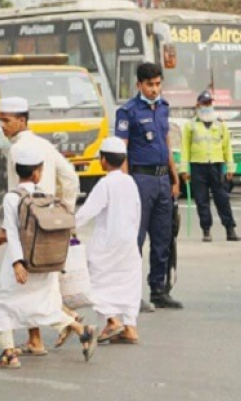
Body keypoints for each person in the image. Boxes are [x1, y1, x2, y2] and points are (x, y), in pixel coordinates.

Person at [0, 146, 97, 368]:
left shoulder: (11, 198)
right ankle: (82, 330)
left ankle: (9, 354)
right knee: (45, 306)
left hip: (22, 264)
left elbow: (14, 233)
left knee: (3, 303)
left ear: (17, 172)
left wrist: (17, 263)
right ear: (38, 173)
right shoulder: (46, 197)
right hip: (46, 263)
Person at [0, 96, 82, 354]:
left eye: (7, 121)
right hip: (50, 229)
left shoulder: (17, 151)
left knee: (15, 288)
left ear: (22, 121)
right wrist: (64, 215)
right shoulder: (45, 145)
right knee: (41, 289)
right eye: (0, 121)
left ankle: (73, 326)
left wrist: (4, 232)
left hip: (26, 229)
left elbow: (14, 195)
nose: (3, 126)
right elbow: (71, 180)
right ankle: (37, 340)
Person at [115, 62, 183, 310]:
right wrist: (124, 185)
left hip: (163, 179)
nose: (155, 89)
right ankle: (131, 294)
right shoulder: (128, 112)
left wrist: (175, 177)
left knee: (163, 237)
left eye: (158, 84)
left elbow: (165, 142)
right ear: (139, 85)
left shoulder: (163, 108)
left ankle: (158, 289)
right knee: (136, 239)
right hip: (140, 180)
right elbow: (121, 150)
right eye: (150, 85)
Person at [74, 137, 142, 344]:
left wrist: (68, 226)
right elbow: (137, 212)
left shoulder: (105, 184)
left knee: (95, 283)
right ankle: (130, 327)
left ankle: (112, 321)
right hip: (128, 242)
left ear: (103, 160)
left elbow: (87, 212)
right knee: (129, 283)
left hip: (107, 243)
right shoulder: (130, 181)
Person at [179, 90, 241, 243]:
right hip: (197, 166)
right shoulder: (190, 125)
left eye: (209, 103)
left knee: (222, 198)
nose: (206, 106)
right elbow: (185, 148)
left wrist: (230, 167)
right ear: (197, 105)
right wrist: (184, 169)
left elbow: (227, 146)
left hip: (216, 165)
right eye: (204, 103)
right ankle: (206, 230)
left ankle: (230, 229)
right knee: (202, 200)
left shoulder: (220, 124)